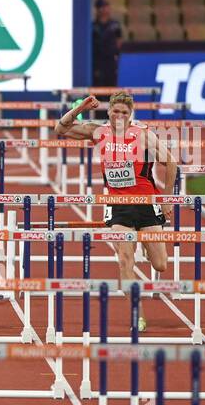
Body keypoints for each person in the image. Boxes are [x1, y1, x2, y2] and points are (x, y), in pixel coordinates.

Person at [56, 92, 177, 331]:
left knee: (161, 264)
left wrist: (168, 199)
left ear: (130, 114)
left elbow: (171, 163)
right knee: (124, 261)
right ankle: (137, 314)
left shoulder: (143, 135)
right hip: (118, 206)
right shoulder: (98, 132)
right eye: (116, 111)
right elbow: (61, 129)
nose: (119, 116)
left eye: (124, 112)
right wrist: (80, 108)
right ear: (109, 112)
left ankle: (141, 244)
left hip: (146, 205)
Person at [92, 0, 123, 89]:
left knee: (111, 87)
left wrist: (116, 54)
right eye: (102, 7)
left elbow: (119, 41)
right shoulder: (93, 27)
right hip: (98, 62)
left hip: (110, 61)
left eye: (106, 7)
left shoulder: (115, 25)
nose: (105, 10)